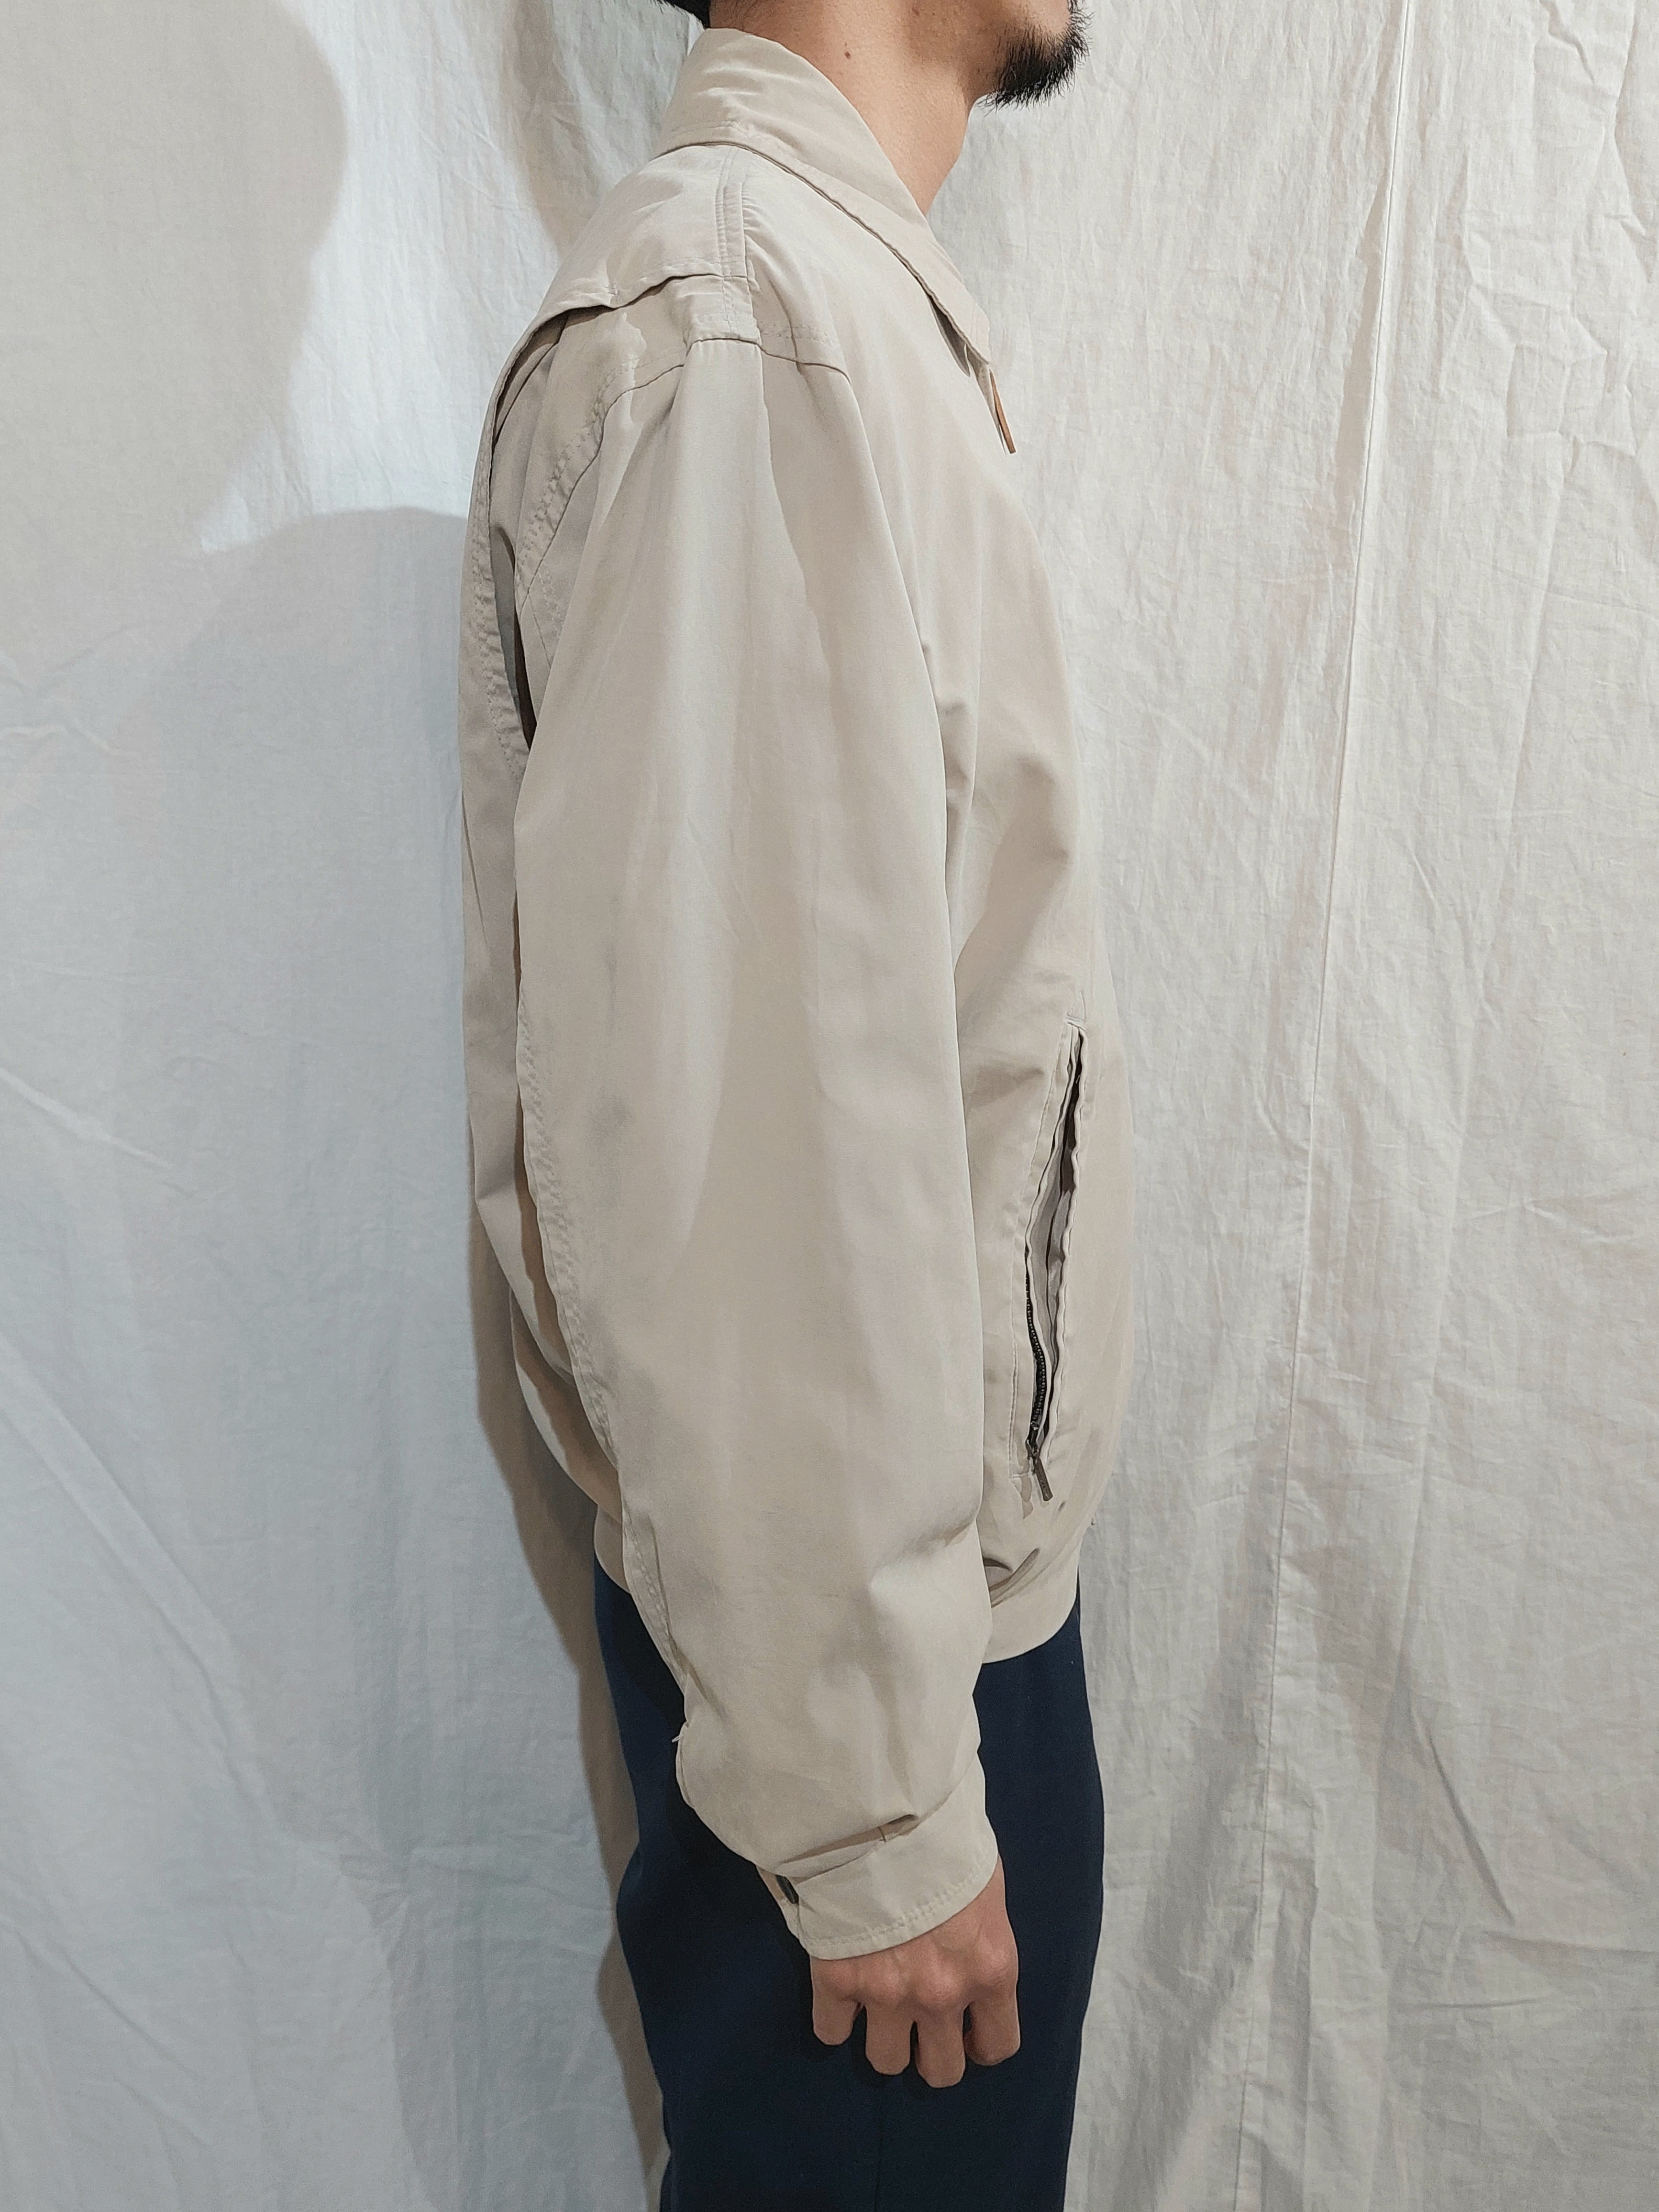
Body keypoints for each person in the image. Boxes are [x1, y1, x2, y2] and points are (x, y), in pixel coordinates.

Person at [456, 2, 1135, 2202]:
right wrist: (871, 1814)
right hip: (869, 1705)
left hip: (897, 1643)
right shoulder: (753, 328)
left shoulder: (805, 313)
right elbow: (740, 1151)